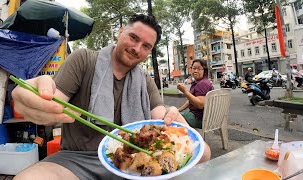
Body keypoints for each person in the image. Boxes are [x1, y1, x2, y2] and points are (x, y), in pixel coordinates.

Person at [11, 14, 211, 180]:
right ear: (121, 31)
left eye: (146, 46)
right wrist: (37, 97)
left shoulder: (144, 79)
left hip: (135, 159)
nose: (136, 48)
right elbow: (53, 98)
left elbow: (159, 115)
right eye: (133, 37)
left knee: (206, 152)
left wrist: (174, 120)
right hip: (78, 160)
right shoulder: (83, 60)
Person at [177, 60, 214, 129]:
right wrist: (179, 110)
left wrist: (185, 91)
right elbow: (191, 100)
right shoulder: (198, 82)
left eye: (199, 69)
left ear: (204, 70)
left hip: (199, 119)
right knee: (174, 112)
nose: (196, 71)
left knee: (172, 117)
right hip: (199, 115)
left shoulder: (203, 84)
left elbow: (200, 105)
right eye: (194, 68)